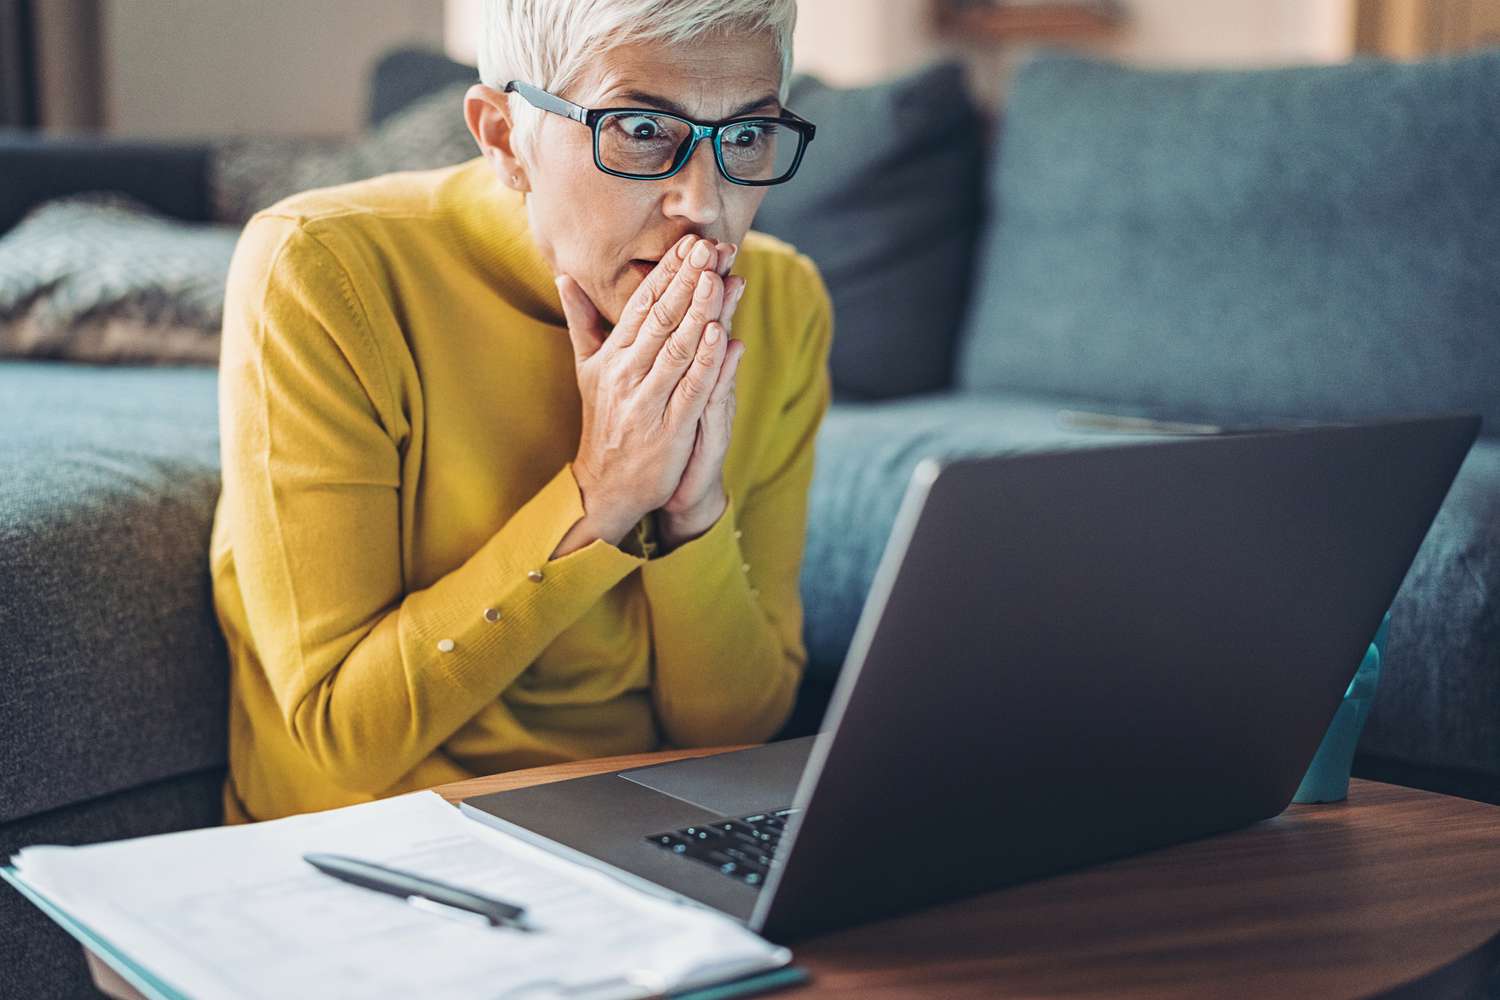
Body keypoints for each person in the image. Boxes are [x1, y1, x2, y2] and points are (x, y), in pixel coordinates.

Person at [211, 0, 831, 824]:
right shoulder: (320, 270)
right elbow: (343, 734)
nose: (704, 204)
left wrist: (693, 515)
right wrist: (602, 494)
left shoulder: (784, 301)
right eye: (643, 129)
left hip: (644, 837)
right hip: (380, 848)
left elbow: (739, 730)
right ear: (505, 137)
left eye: (746, 136)